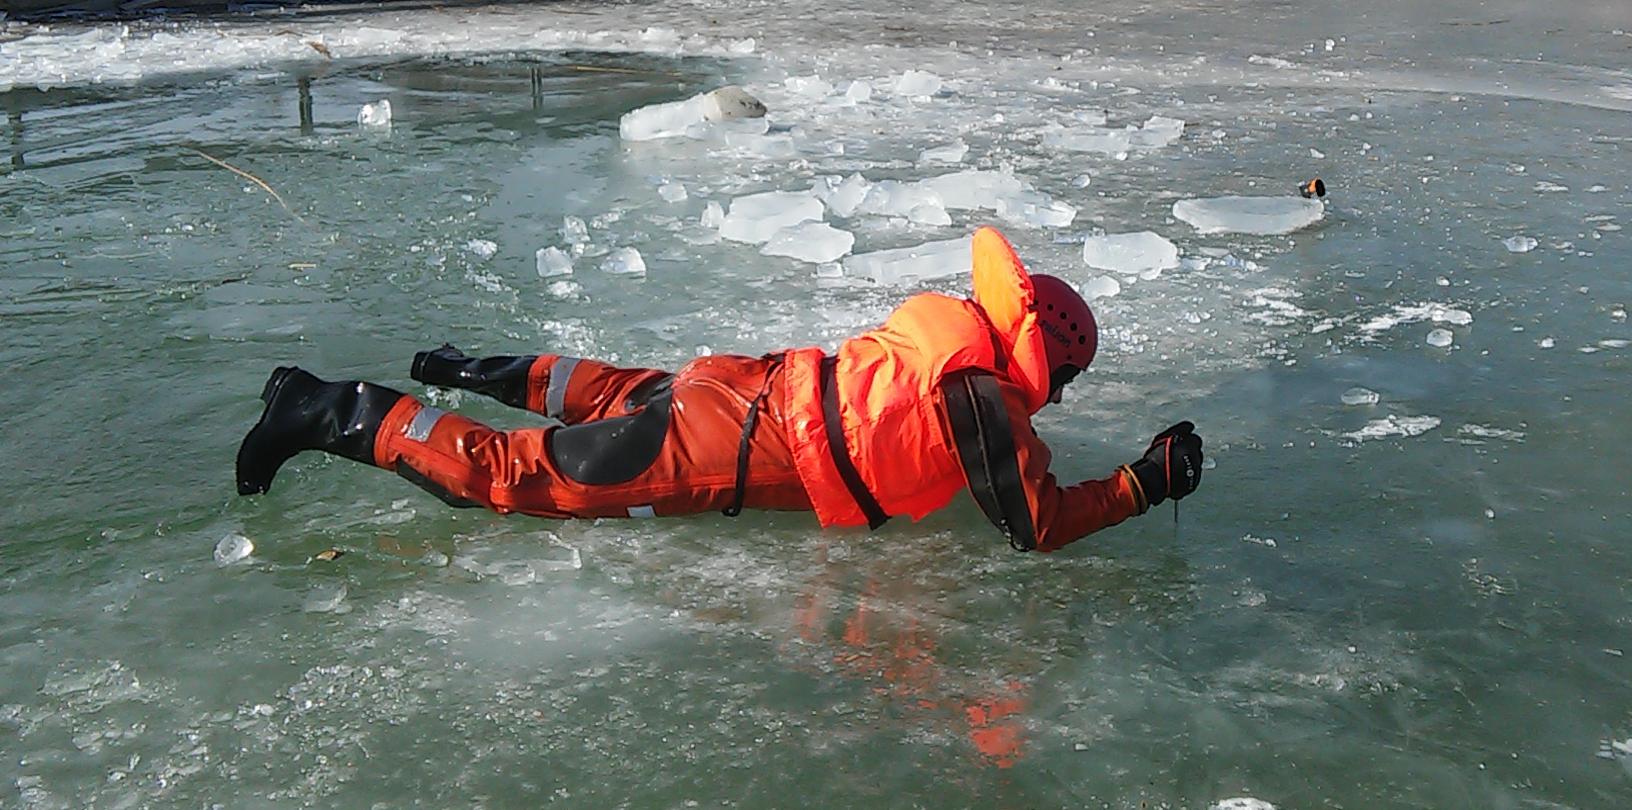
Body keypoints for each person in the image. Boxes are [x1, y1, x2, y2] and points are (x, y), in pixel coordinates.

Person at [235, 227, 1203, 552]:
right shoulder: (979, 394)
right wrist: (1143, 482)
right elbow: (1032, 525)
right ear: (1049, 357)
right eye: (1065, 381)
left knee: (610, 394)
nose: (1057, 399)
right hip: (733, 446)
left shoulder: (942, 333)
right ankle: (327, 408)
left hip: (742, 387)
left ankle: (464, 366)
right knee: (516, 478)